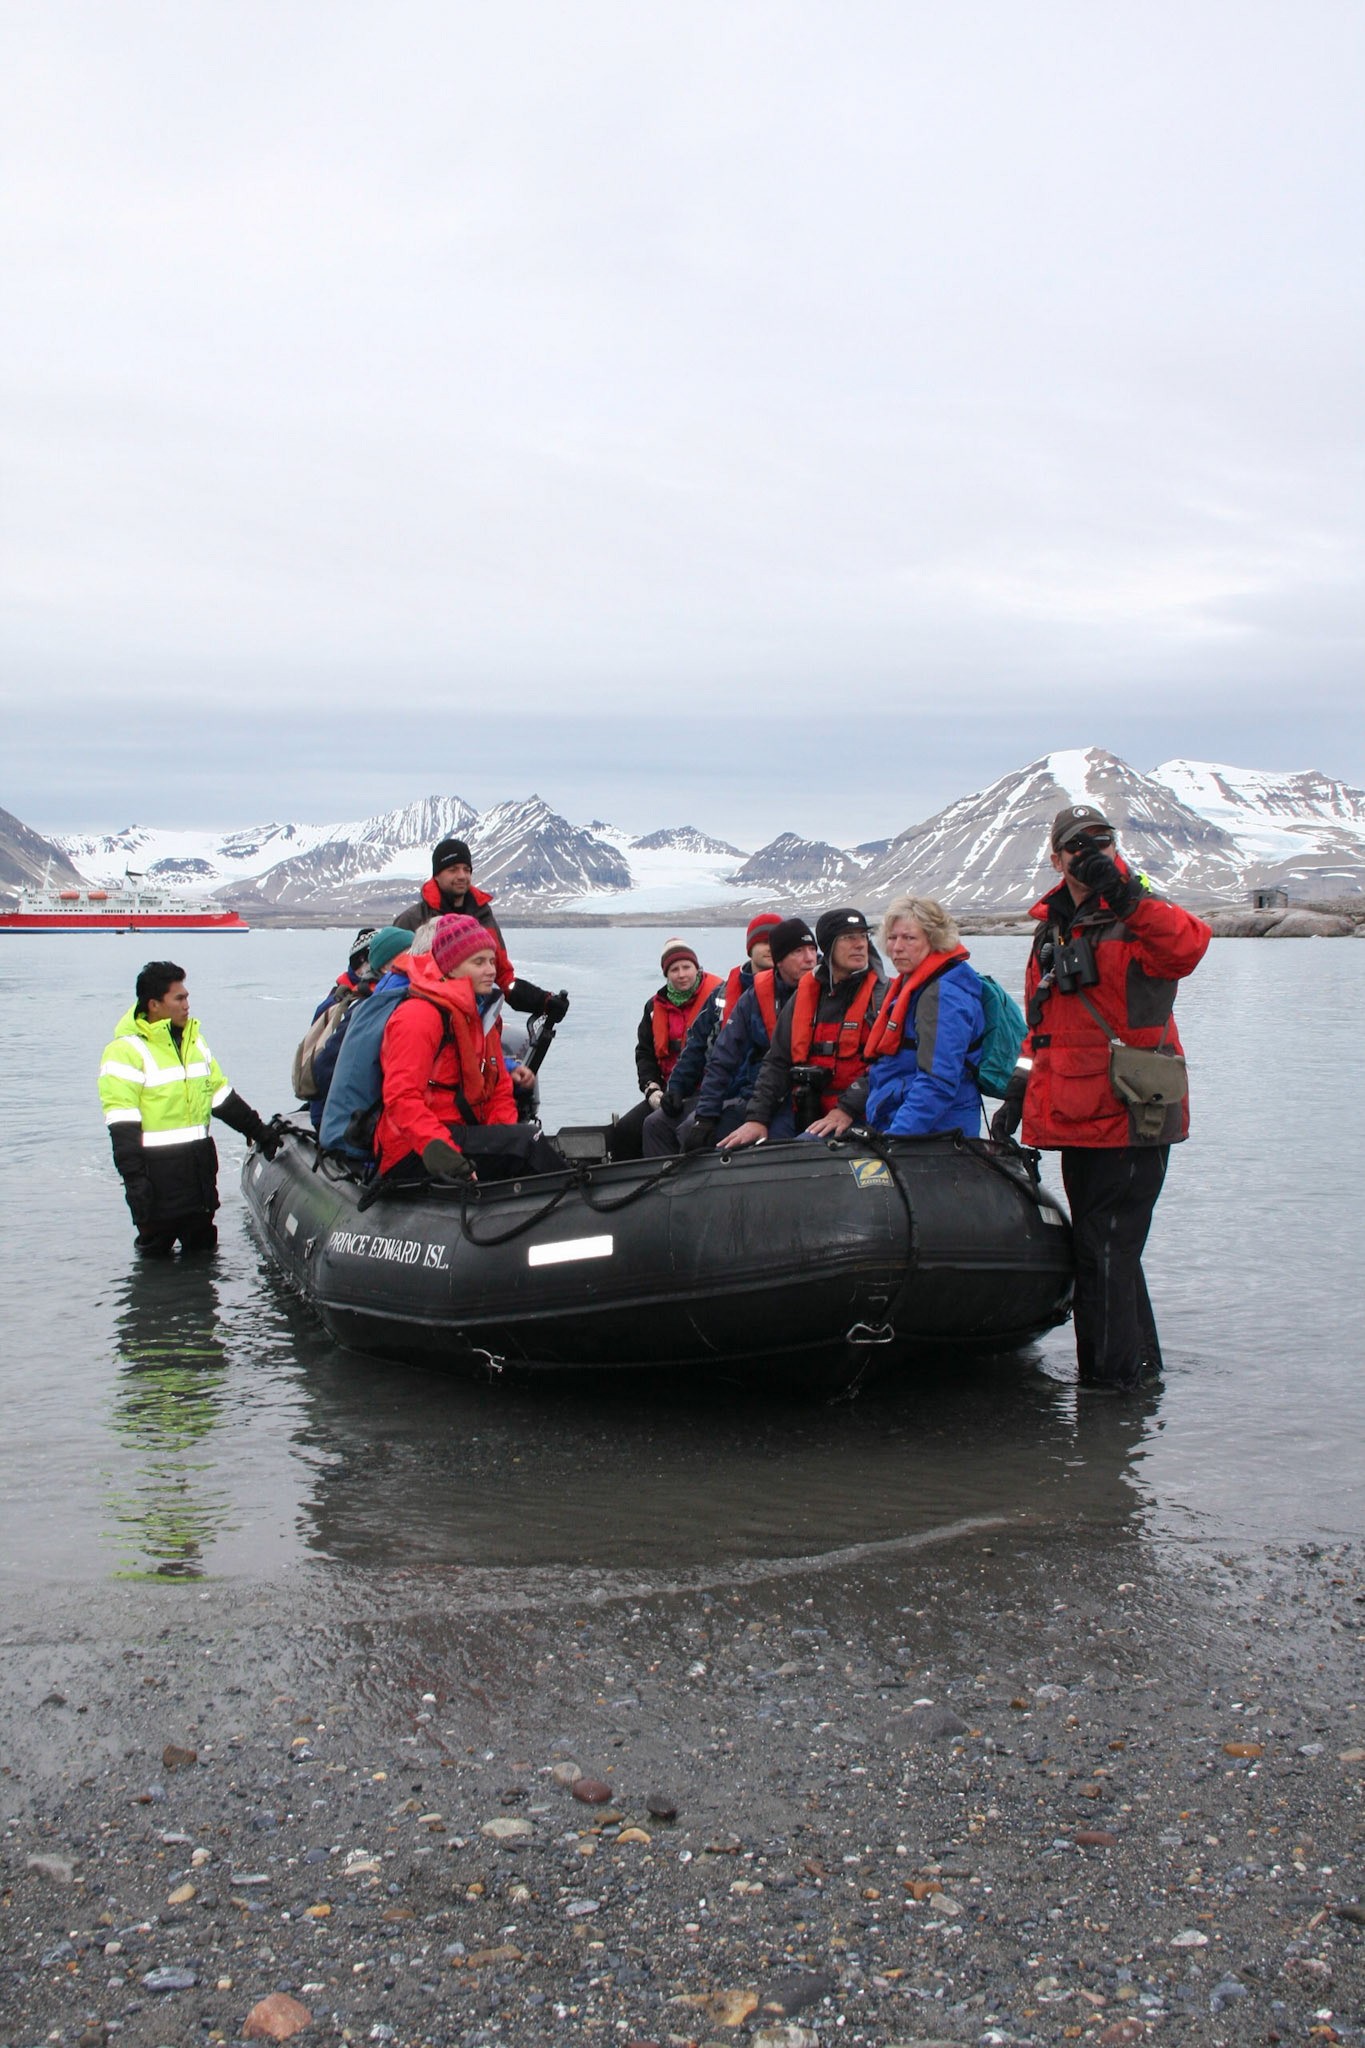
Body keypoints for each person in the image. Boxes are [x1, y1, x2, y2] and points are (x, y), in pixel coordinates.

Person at [990, 802, 1211, 1392]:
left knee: (1105, 1250)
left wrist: (1124, 891)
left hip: (1135, 1111)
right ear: (1056, 857)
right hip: (1078, 1115)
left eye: (1102, 841)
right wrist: (1018, 1092)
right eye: (1078, 845)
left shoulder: (1139, 912)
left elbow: (1187, 949)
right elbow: (1042, 1029)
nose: (1090, 853)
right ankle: (1140, 1377)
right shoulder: (1052, 929)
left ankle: (1109, 1394)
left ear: (1116, 848)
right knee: (1106, 1250)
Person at [98, 960, 278, 1255]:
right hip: (157, 1189)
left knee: (204, 1259)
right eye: (179, 998)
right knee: (155, 1268)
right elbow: (122, 1127)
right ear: (154, 1005)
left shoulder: (195, 1042)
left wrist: (260, 1131)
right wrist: (135, 1185)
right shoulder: (125, 1052)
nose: (187, 1005)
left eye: (187, 997)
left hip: (198, 1182)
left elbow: (220, 1097)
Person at [375, 914, 564, 1185]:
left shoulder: (481, 1015)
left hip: (460, 1133)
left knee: (524, 1139)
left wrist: (504, 1136)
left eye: (492, 961)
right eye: (478, 962)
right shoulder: (418, 1017)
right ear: (450, 967)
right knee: (527, 1142)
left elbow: (498, 1088)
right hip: (416, 1149)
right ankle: (577, 1195)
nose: (491, 970)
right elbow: (402, 1099)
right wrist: (446, 1156)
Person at [721, 908, 888, 1148]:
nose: (860, 944)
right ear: (829, 945)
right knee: (744, 1150)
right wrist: (757, 1118)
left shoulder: (883, 997)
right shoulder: (805, 995)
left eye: (863, 936)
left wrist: (846, 1108)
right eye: (849, 937)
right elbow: (777, 1062)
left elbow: (889, 1065)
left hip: (861, 1114)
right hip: (805, 1110)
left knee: (795, 1153)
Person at [640, 913, 783, 1156]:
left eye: (774, 941)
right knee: (655, 1124)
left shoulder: (790, 991)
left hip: (757, 1094)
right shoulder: (722, 994)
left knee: (691, 1130)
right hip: (721, 1090)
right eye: (762, 942)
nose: (769, 948)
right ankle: (663, 1179)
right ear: (750, 948)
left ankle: (696, 1179)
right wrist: (675, 1089)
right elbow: (695, 1046)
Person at [393, 835, 570, 1026]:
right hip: (431, 1022)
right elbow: (393, 978)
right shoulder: (412, 921)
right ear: (436, 875)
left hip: (480, 1023)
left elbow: (503, 977)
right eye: (453, 869)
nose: (462, 876)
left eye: (466, 869)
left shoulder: (483, 916)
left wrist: (543, 1001)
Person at [679, 917, 820, 1151]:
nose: (810, 958)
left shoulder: (829, 989)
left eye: (812, 950)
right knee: (690, 1134)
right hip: (763, 1097)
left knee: (777, 1149)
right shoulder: (753, 997)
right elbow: (722, 1058)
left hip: (814, 1101)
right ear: (780, 959)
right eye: (798, 951)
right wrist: (705, 1116)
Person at [863, 896, 986, 1139]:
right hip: (912, 1126)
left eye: (909, 938)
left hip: (935, 1137)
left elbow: (937, 1082)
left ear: (934, 940)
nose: (897, 947)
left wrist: (895, 1139)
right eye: (892, 938)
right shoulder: (919, 985)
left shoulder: (942, 996)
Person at [607, 940, 722, 1161]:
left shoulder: (717, 1002)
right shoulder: (654, 1008)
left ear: (697, 968)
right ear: (666, 974)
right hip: (669, 1094)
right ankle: (632, 1178)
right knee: (625, 1130)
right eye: (674, 969)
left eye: (687, 967)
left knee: (683, 1129)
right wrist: (651, 1089)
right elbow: (645, 1054)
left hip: (706, 1090)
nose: (682, 974)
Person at [317, 927, 416, 1161]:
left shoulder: (382, 1001)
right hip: (350, 1131)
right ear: (385, 966)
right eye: (409, 955)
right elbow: (324, 1068)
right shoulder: (368, 1009)